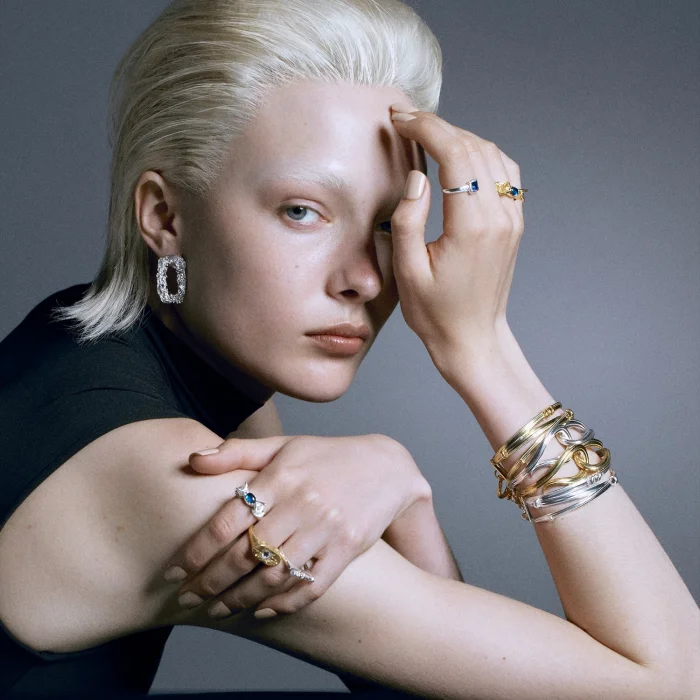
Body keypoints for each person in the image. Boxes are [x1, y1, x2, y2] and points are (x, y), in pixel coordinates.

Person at [0, 0, 697, 698]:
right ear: (164, 215)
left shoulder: (100, 343)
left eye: (391, 223)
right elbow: (674, 683)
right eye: (302, 210)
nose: (363, 277)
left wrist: (402, 493)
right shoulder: (168, 477)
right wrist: (480, 349)